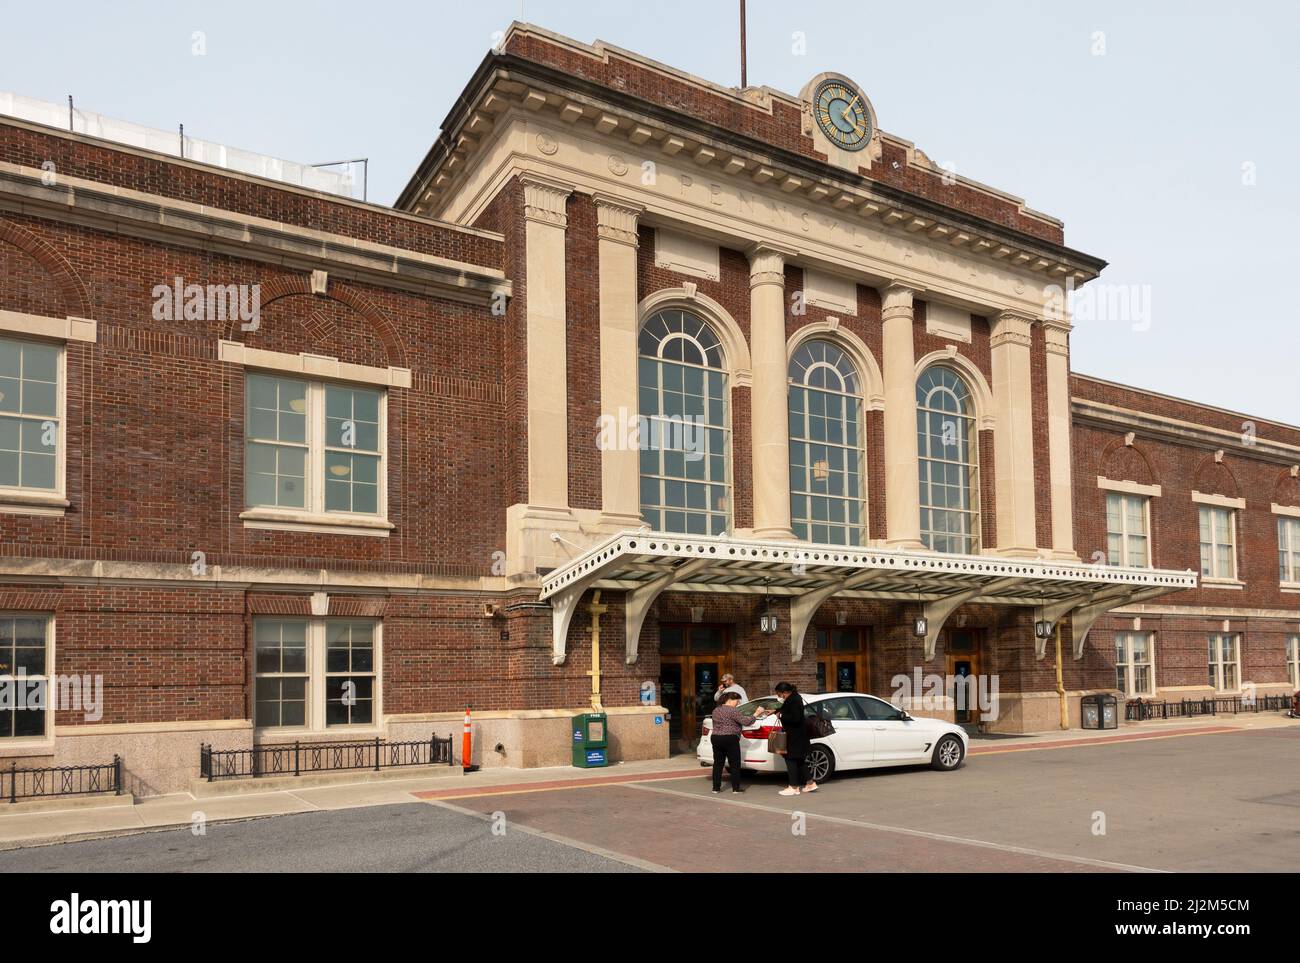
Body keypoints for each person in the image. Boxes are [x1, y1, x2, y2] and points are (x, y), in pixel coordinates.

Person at [773, 681, 817, 796]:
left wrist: (781, 715)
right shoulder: (794, 698)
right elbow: (790, 713)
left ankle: (793, 786)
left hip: (795, 736)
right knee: (799, 760)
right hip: (797, 735)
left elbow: (796, 718)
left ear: (784, 692)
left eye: (779, 694)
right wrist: (778, 712)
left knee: (790, 759)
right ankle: (810, 783)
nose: (779, 697)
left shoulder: (794, 700)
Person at [709, 691, 756, 794]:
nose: (738, 703)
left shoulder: (716, 710)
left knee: (718, 764)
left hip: (716, 737)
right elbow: (746, 722)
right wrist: (756, 714)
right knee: (734, 764)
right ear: (730, 700)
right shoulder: (733, 711)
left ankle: (715, 788)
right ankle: (736, 788)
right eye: (737, 701)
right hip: (730, 738)